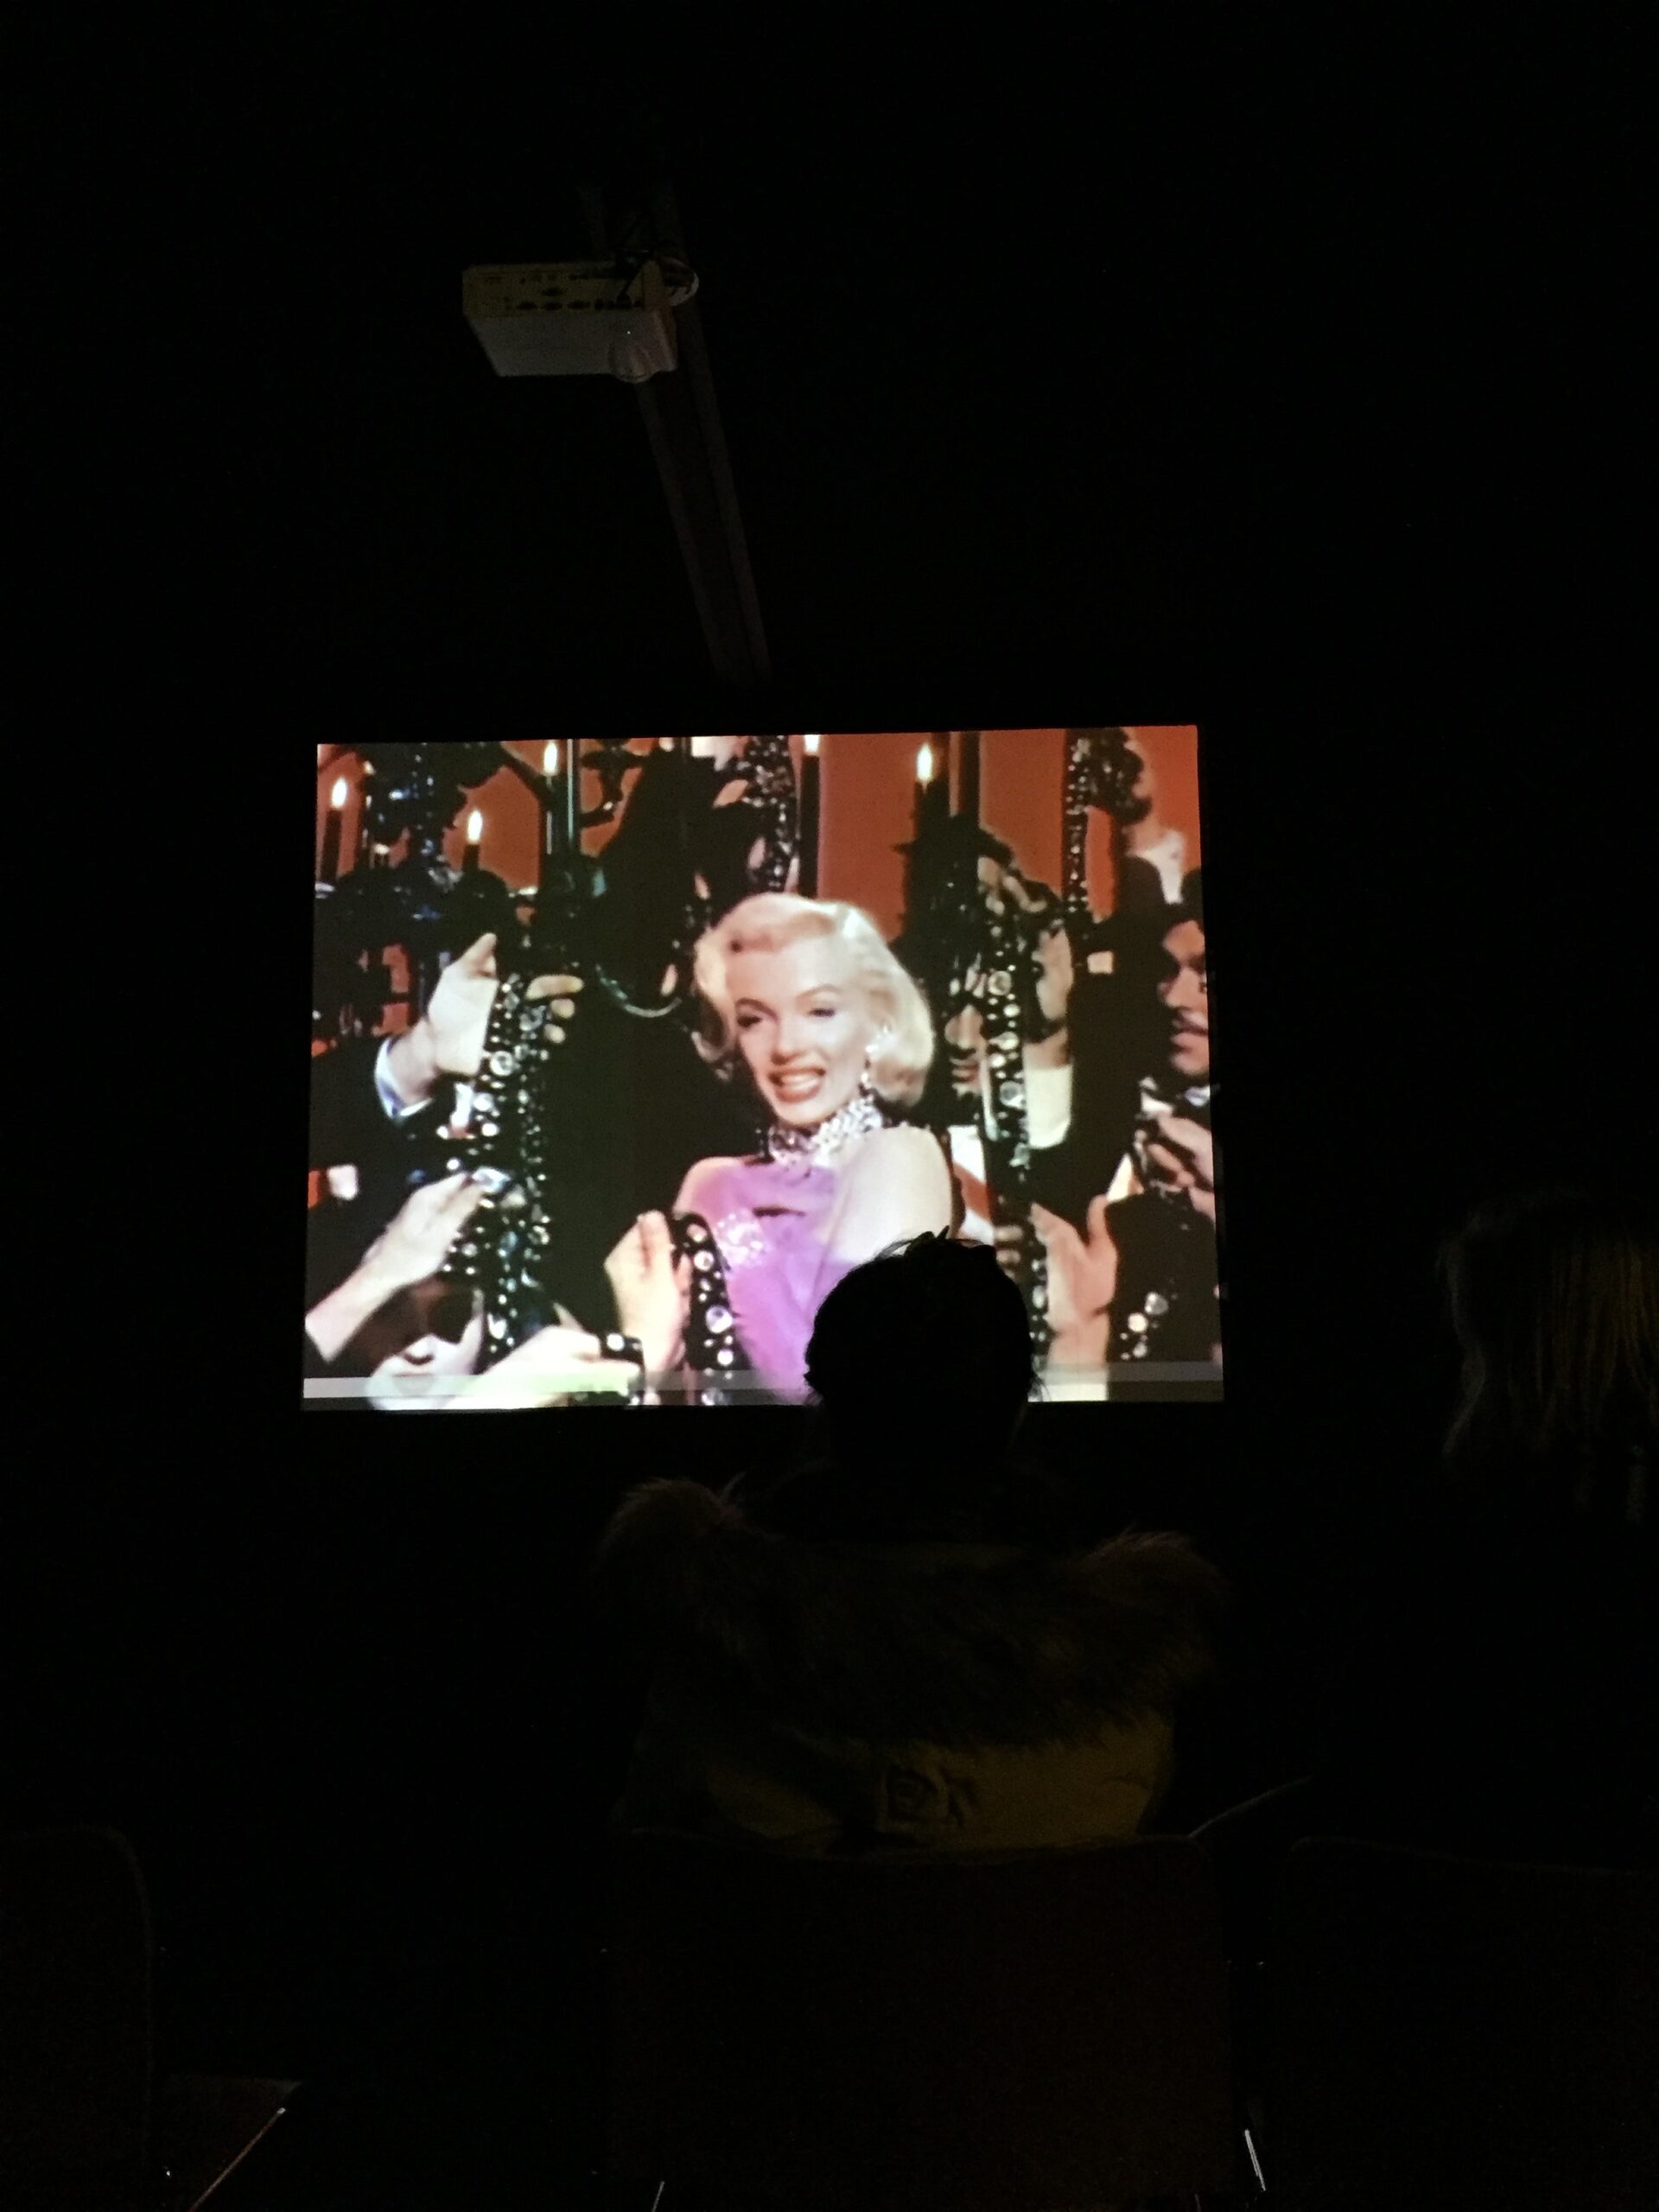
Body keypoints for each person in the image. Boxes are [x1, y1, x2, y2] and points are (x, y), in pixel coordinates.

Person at [592, 1234, 1226, 1853]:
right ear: (1016, 1413)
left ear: (826, 1410)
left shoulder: (709, 1667)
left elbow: (642, 1865)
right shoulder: (1127, 1699)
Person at [604, 893, 953, 1395]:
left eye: (820, 1011)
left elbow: (833, 1383)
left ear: (878, 1025)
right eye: (754, 1019)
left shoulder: (898, 1156)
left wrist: (729, 1223)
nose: (787, 1046)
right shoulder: (719, 1177)